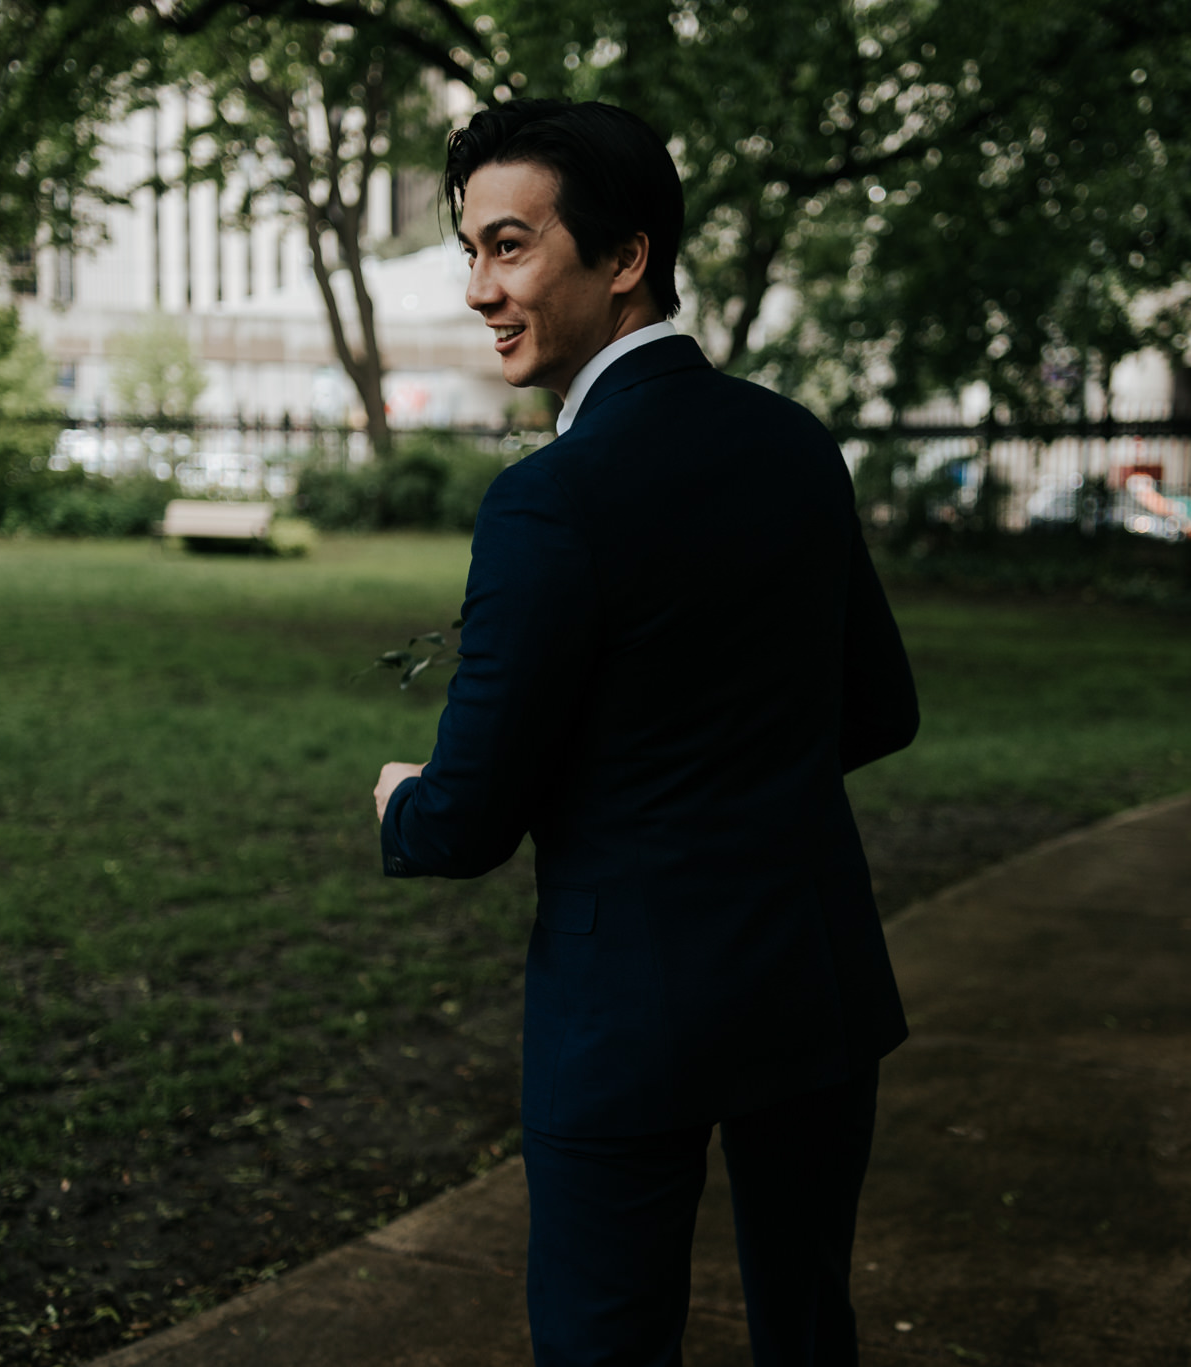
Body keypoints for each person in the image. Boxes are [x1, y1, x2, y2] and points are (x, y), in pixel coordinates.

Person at [373, 99, 918, 1367]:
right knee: (806, 1333)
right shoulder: (793, 445)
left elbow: (461, 823)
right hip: (811, 975)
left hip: (626, 1009)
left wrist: (399, 793)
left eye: (508, 246)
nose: (477, 287)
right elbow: (879, 707)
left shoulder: (548, 503)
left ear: (624, 258)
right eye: (471, 251)